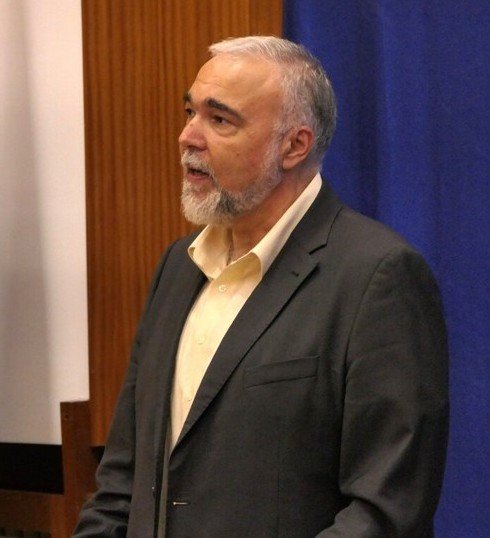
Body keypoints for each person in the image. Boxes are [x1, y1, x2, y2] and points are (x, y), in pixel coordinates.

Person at [73, 36, 448, 537]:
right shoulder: (178, 267)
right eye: (190, 112)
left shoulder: (378, 276)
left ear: (294, 146)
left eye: (219, 119)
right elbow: (123, 480)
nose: (187, 137)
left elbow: (386, 511)